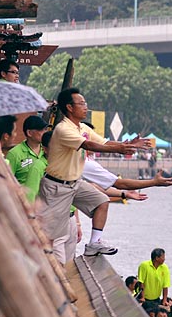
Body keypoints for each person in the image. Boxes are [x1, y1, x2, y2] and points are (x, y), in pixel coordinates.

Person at [37, 88, 150, 259]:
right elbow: (88, 145)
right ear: (69, 107)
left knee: (102, 201)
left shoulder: (82, 127)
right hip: (57, 187)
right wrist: (119, 149)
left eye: (85, 103)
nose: (85, 107)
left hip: (75, 183)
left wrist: (127, 144)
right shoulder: (63, 129)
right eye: (81, 103)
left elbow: (104, 142)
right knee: (50, 236)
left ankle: (94, 244)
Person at [5, 115, 48, 201]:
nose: (45, 132)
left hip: (46, 203)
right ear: (29, 133)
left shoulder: (48, 150)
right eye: (41, 130)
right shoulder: (14, 154)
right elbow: (7, 182)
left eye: (45, 129)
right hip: (24, 203)